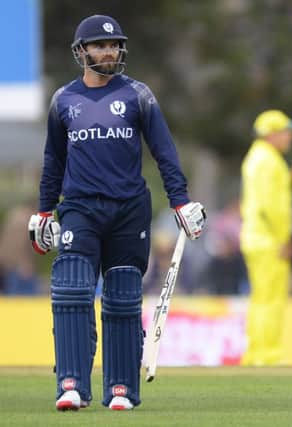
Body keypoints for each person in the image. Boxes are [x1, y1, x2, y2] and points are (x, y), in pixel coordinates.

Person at [27, 15, 206, 411]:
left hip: (129, 209)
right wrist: (43, 212)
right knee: (72, 289)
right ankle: (71, 384)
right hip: (78, 207)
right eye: (99, 46)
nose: (109, 51)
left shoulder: (138, 95)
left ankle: (121, 389)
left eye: (114, 45)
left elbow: (164, 151)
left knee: (123, 296)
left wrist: (181, 200)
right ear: (81, 52)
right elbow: (53, 160)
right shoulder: (64, 101)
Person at [240, 109, 292, 366]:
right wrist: (283, 239)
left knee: (260, 299)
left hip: (256, 236)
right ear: (272, 134)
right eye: (286, 131)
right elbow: (270, 206)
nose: (290, 136)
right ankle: (268, 354)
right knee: (271, 300)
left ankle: (255, 352)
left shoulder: (256, 157)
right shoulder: (269, 160)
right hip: (268, 240)